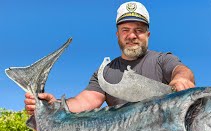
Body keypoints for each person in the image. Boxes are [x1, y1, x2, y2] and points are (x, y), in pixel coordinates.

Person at [24, 1, 195, 115]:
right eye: (125, 30)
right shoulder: (104, 73)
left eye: (139, 30)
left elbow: (181, 70)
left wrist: (181, 79)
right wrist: (54, 106)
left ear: (147, 35)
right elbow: (86, 100)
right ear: (117, 35)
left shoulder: (162, 60)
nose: (132, 36)